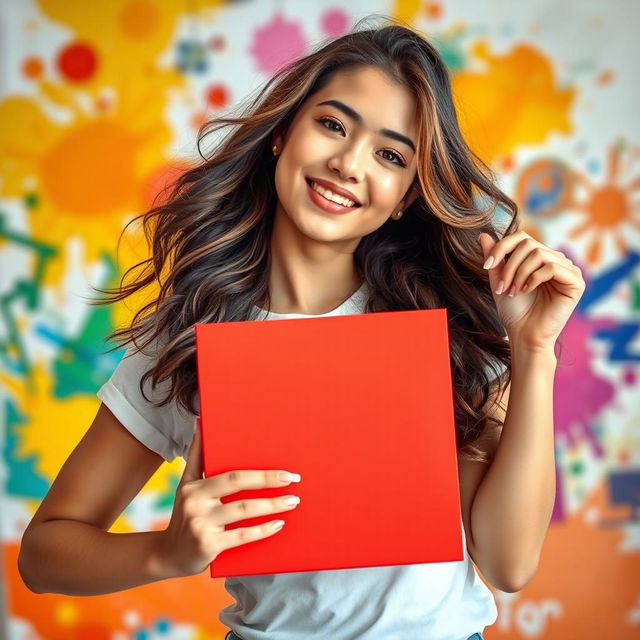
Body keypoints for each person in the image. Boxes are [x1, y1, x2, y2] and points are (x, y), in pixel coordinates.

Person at [17, 16, 585, 640]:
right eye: (333, 125)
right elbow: (44, 554)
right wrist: (165, 553)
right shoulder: (190, 336)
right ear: (283, 134)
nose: (347, 163)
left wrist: (533, 351)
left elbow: (507, 564)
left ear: (403, 195)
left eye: (390, 154)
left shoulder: (445, 327)